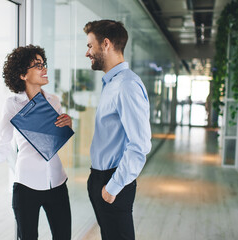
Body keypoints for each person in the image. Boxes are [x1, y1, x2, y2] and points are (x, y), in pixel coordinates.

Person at [0, 45, 72, 240]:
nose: (44, 69)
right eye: (38, 65)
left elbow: (54, 142)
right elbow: (4, 143)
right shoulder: (12, 105)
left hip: (57, 182)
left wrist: (67, 124)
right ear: (23, 74)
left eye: (44, 64)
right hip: (26, 185)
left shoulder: (54, 101)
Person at [84, 20, 152, 240]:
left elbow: (140, 145)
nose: (88, 53)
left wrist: (113, 187)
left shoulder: (126, 85)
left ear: (105, 44)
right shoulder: (112, 83)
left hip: (113, 180)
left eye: (90, 46)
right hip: (101, 177)